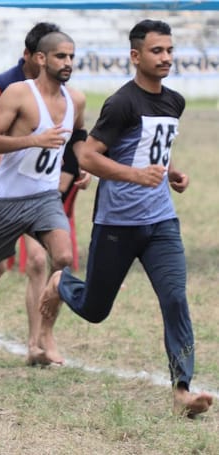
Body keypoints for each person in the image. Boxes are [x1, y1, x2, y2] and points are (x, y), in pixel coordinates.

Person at [39, 19, 214, 418]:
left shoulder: (175, 101)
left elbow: (152, 147)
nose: (166, 57)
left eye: (169, 50)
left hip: (161, 222)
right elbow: (88, 156)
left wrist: (171, 172)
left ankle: (182, 390)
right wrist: (136, 176)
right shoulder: (121, 103)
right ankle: (61, 282)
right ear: (136, 56)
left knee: (175, 299)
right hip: (117, 224)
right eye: (157, 51)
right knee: (95, 309)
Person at [0, 23, 87, 368]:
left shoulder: (76, 99)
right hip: (5, 198)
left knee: (59, 259)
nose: (68, 63)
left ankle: (41, 338)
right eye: (60, 56)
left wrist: (83, 164)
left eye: (71, 57)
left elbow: (79, 135)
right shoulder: (12, 90)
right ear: (39, 58)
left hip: (44, 197)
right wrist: (33, 141)